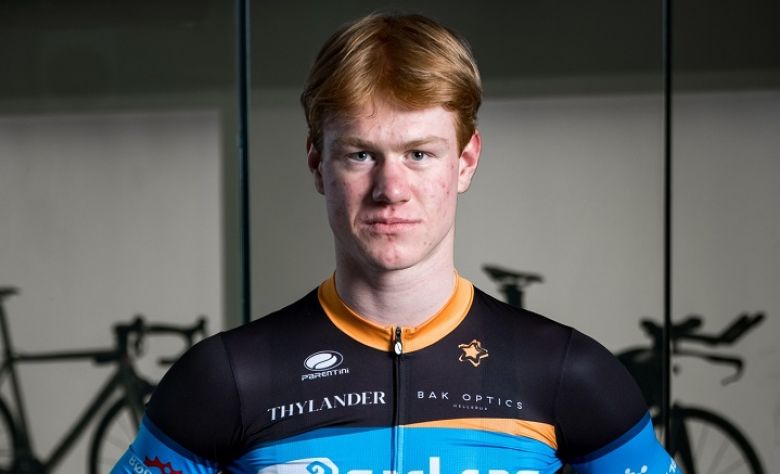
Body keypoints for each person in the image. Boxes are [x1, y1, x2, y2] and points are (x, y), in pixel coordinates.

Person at [112, 13, 678, 474]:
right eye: (360, 154)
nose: (391, 189)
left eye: (419, 154)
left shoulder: (566, 371)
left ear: (466, 161)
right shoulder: (227, 377)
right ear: (317, 163)